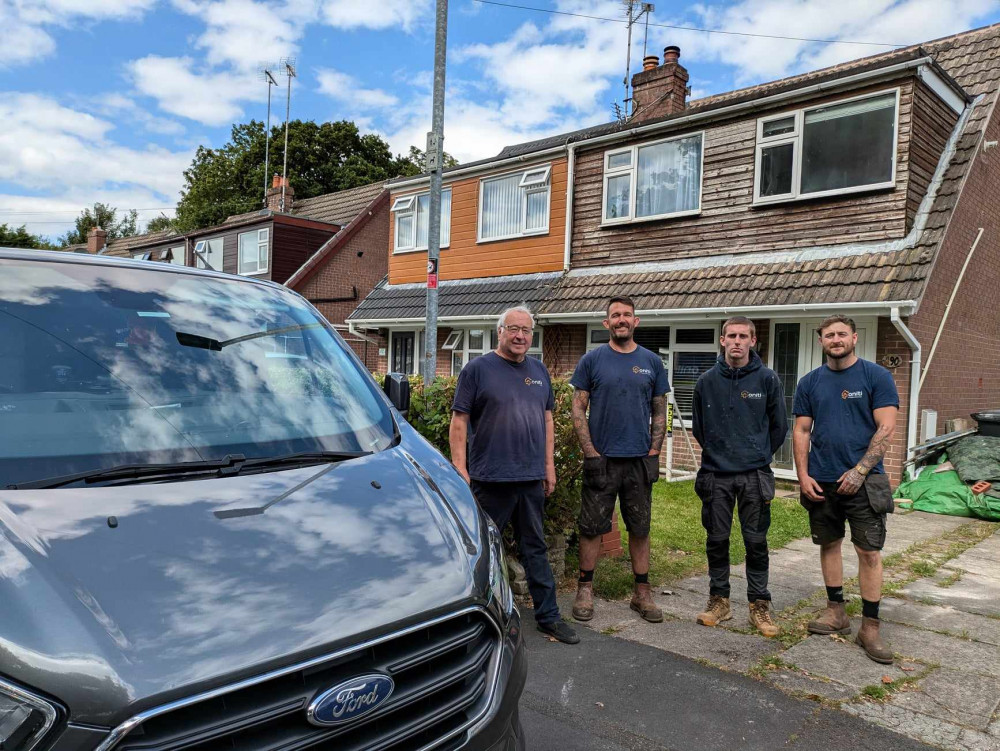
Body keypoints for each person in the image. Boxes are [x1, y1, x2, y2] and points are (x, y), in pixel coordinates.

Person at [450, 305, 579, 645]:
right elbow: (459, 421)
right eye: (514, 329)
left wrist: (549, 467)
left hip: (530, 479)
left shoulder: (539, 371)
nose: (521, 336)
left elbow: (548, 420)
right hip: (490, 479)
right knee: (482, 553)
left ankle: (549, 616)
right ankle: (474, 619)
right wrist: (460, 468)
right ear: (500, 331)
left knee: (535, 548)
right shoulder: (477, 370)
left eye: (526, 330)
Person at [793, 314, 898, 664]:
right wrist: (802, 475)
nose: (835, 340)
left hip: (866, 482)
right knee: (829, 543)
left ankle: (870, 626)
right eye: (828, 335)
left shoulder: (876, 376)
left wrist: (860, 470)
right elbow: (802, 431)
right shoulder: (809, 382)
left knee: (868, 551)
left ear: (854, 337)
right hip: (821, 479)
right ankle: (835, 610)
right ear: (820, 340)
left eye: (841, 334)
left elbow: (886, 427)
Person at [570, 295, 669, 623]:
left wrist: (654, 453)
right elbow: (577, 407)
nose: (621, 320)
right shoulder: (592, 360)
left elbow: (659, 409)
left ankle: (642, 593)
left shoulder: (652, 362)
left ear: (635, 321)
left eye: (627, 315)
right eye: (615, 315)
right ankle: (585, 588)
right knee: (591, 527)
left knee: (640, 527)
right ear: (607, 323)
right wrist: (591, 453)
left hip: (639, 460)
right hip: (603, 460)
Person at [691, 316, 787, 637]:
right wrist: (721, 454)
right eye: (730, 335)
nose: (736, 341)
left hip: (754, 476)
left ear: (753, 341)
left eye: (742, 336)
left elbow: (778, 428)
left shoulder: (767, 380)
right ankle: (719, 601)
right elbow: (700, 428)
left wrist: (755, 455)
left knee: (756, 541)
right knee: (716, 540)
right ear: (722, 341)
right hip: (716, 475)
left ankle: (759, 605)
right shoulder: (706, 382)